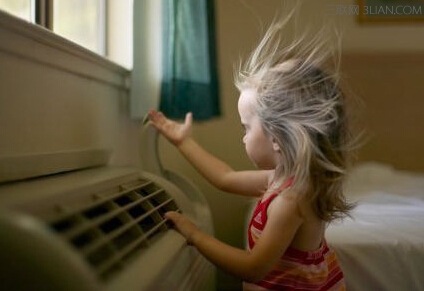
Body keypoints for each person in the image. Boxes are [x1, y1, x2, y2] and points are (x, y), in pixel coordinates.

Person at [148, 14, 353, 291]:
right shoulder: (281, 178)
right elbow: (225, 177)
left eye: (246, 128)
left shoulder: (290, 201)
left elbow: (253, 268)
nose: (243, 137)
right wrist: (183, 142)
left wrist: (194, 235)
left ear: (277, 137)